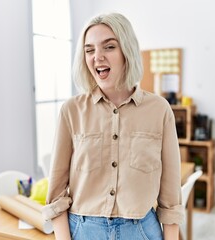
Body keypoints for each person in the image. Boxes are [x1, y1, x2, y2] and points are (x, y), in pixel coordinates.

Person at [45, 12, 184, 240]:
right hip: (83, 230)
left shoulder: (159, 110)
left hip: (141, 230)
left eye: (108, 47)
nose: (97, 57)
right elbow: (57, 194)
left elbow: (170, 198)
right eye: (89, 50)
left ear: (126, 51)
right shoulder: (71, 111)